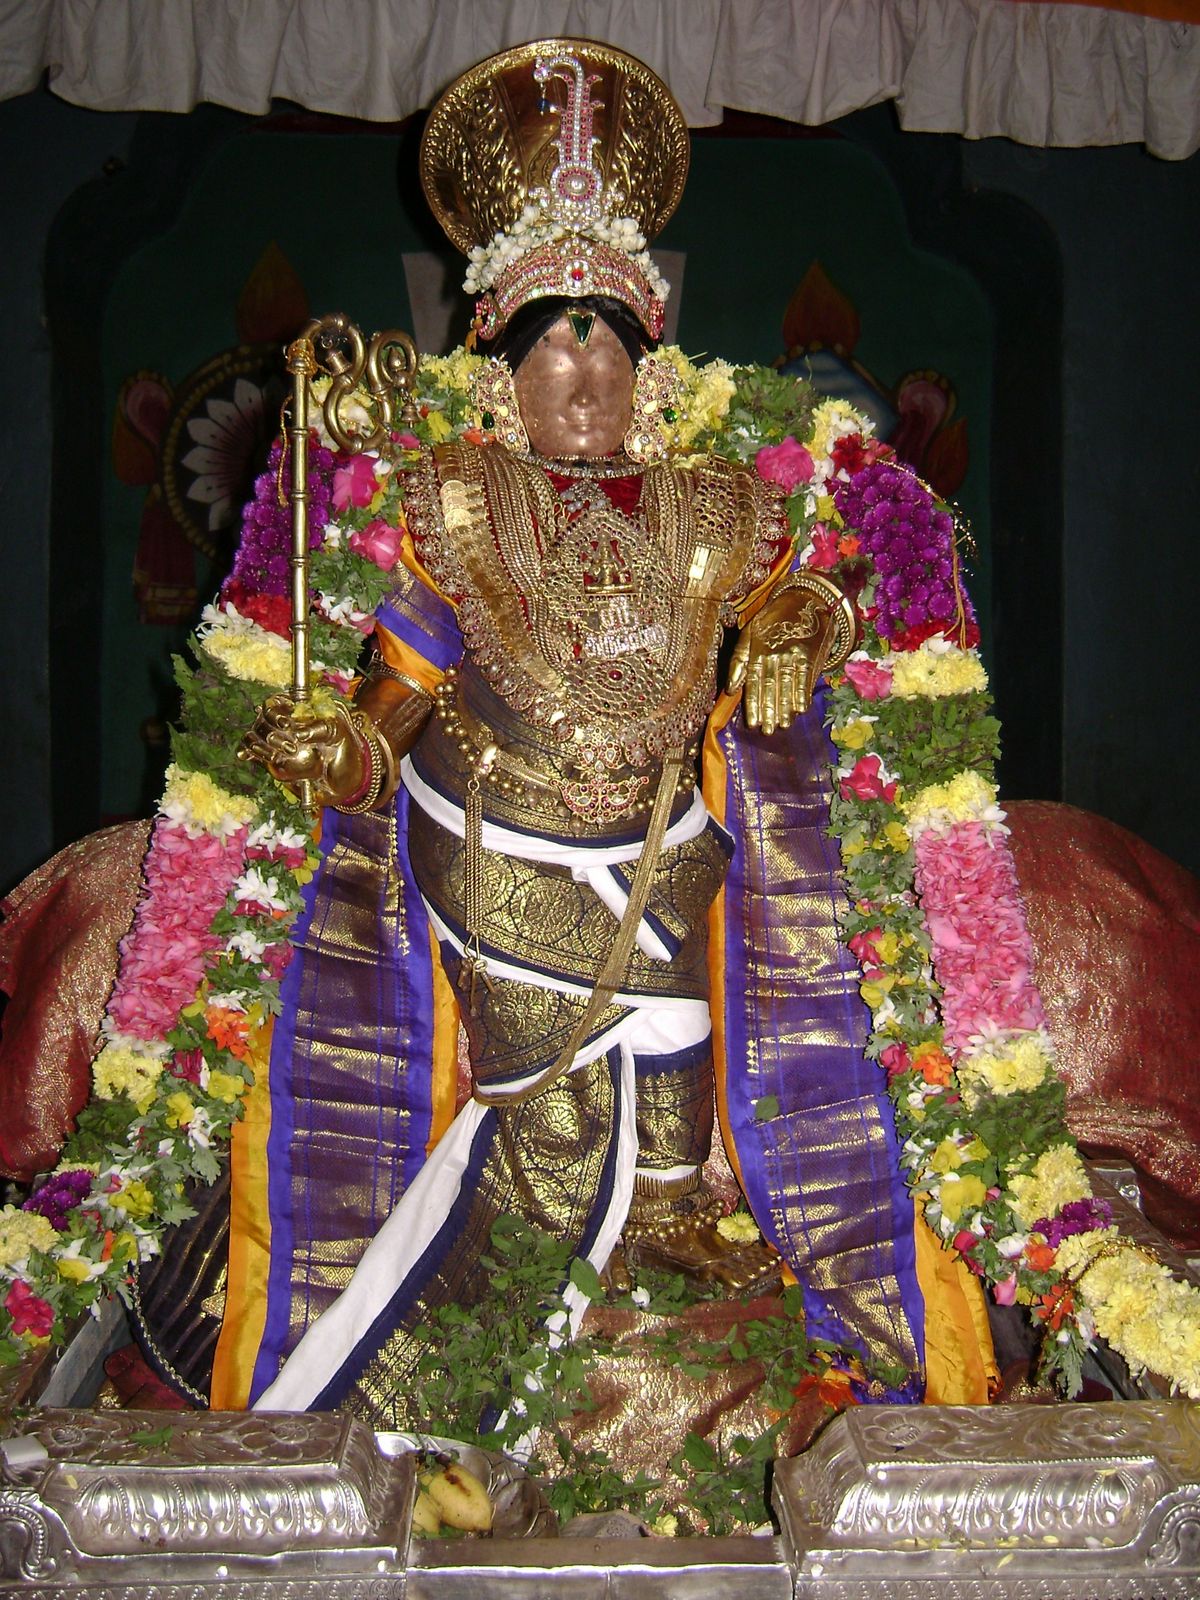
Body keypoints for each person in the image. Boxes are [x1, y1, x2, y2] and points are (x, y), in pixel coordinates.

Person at [213, 39, 992, 1424]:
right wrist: (360, 743)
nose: (584, 370)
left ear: (647, 354)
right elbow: (409, 657)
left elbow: (869, 546)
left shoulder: (713, 501)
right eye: (553, 339)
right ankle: (442, 1381)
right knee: (552, 1121)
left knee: (677, 1111)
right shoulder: (453, 495)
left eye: (608, 339)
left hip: (661, 854)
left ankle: (651, 1292)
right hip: (496, 841)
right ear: (502, 363)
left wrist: (816, 607)